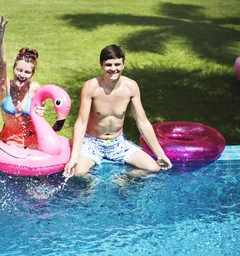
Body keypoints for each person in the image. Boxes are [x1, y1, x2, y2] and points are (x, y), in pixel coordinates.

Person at [63, 44, 172, 177]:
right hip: (92, 143)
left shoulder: (131, 87)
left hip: (118, 143)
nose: (113, 69)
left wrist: (160, 155)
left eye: (117, 64)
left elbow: (142, 122)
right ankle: (93, 182)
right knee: (77, 172)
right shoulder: (91, 87)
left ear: (123, 65)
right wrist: (74, 157)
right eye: (108, 65)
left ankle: (123, 179)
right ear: (101, 65)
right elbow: (81, 123)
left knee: (153, 168)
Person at [0, 10, 47, 149]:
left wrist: (41, 112)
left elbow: (39, 116)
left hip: (33, 137)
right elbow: (2, 63)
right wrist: (1, 35)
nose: (22, 75)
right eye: (19, 70)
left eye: (27, 72)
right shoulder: (5, 88)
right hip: (10, 138)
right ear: (13, 69)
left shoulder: (34, 89)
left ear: (32, 74)